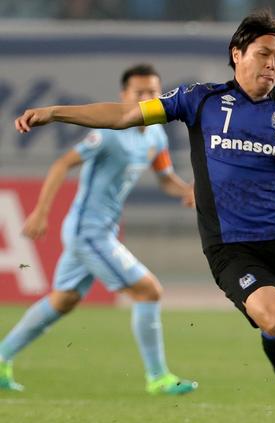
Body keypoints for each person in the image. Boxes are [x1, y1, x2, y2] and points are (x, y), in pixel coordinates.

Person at [14, 11, 275, 423]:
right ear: (237, 54)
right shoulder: (200, 100)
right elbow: (124, 114)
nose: (272, 64)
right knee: (274, 317)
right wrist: (56, 112)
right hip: (232, 246)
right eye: (263, 54)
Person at [0, 64, 198, 396]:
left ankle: (2, 357)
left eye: (153, 92)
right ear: (124, 96)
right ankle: (157, 377)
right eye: (140, 93)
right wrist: (40, 212)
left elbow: (165, 179)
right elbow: (63, 163)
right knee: (149, 291)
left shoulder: (156, 134)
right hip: (88, 232)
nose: (148, 98)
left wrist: (188, 191)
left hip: (101, 230)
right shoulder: (108, 133)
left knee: (63, 300)